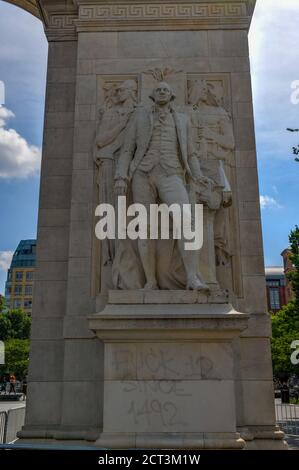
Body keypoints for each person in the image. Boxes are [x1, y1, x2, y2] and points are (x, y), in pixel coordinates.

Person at [114, 81, 208, 290]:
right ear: (152, 95)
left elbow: (191, 153)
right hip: (142, 174)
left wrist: (198, 175)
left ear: (172, 95)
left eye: (166, 89)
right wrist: (121, 176)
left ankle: (192, 278)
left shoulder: (182, 120)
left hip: (171, 173)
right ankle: (151, 281)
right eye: (158, 89)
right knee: (145, 230)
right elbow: (127, 150)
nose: (162, 91)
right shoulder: (139, 117)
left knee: (186, 223)